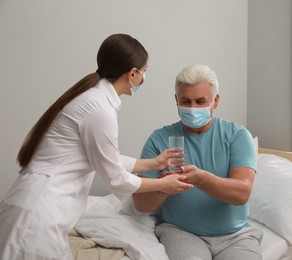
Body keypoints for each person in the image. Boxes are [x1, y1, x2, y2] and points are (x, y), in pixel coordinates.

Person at [0, 34, 193, 260]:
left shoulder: (94, 99)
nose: (144, 77)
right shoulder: (99, 109)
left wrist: (154, 163)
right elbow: (115, 178)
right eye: (144, 71)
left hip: (40, 209)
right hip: (37, 217)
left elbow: (101, 157)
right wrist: (163, 184)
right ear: (132, 74)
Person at [133, 64, 262, 260]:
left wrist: (201, 179)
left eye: (201, 101)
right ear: (176, 100)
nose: (193, 109)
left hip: (236, 236)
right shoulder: (159, 140)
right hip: (181, 232)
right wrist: (162, 188)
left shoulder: (237, 136)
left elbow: (242, 193)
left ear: (215, 101)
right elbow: (141, 203)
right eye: (186, 101)